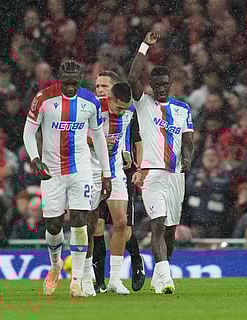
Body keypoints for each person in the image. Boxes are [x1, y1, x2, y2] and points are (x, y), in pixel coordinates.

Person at [23, 60, 112, 297]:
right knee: (53, 225)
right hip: (51, 171)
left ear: (80, 79)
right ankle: (55, 264)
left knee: (80, 220)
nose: (71, 87)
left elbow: (100, 139)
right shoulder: (43, 99)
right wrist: (35, 159)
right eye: (67, 83)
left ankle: (77, 281)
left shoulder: (90, 102)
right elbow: (29, 131)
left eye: (75, 83)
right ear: (60, 77)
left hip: (80, 169)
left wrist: (106, 174)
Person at [127, 32, 195, 294]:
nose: (162, 87)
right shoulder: (143, 103)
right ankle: (166, 279)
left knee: (170, 231)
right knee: (157, 223)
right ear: (152, 85)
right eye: (157, 84)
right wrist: (145, 46)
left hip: (176, 175)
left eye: (165, 83)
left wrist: (187, 158)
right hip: (151, 173)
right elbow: (132, 77)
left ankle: (159, 272)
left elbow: (188, 140)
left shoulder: (182, 109)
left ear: (170, 83)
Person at [86, 71, 145, 296]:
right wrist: (96, 143)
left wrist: (129, 157)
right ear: (109, 99)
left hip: (116, 171)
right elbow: (79, 135)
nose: (122, 112)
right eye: (118, 108)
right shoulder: (93, 107)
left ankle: (115, 279)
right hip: (91, 170)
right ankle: (86, 274)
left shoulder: (130, 111)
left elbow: (130, 138)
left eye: (125, 108)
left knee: (121, 223)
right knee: (91, 225)